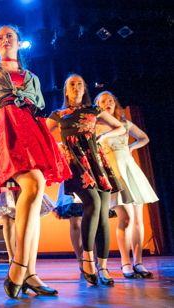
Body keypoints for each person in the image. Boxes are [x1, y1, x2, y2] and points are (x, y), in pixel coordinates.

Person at [0, 25, 71, 298]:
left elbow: (39, 110)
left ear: (20, 43)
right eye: (0, 38)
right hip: (6, 128)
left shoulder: (33, 78)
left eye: (10, 36)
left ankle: (29, 272)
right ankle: (19, 265)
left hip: (33, 129)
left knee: (36, 191)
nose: (5, 40)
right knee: (34, 185)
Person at [46, 74, 125, 286]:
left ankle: (103, 266)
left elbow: (121, 127)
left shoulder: (95, 110)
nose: (76, 86)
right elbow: (43, 135)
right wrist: (59, 147)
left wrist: (103, 136)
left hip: (97, 162)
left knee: (102, 214)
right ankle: (87, 258)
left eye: (80, 83)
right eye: (72, 84)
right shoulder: (59, 114)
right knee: (94, 203)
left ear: (85, 88)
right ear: (65, 90)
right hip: (75, 163)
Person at [95, 91, 158, 279]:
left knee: (138, 219)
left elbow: (144, 138)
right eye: (103, 101)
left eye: (110, 101)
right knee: (126, 219)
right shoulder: (97, 127)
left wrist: (131, 147)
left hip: (130, 170)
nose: (107, 103)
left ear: (115, 104)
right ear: (98, 106)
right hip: (114, 172)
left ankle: (138, 262)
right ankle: (125, 263)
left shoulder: (124, 124)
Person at [0, 145, 56, 261]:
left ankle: (26, 259)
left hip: (24, 179)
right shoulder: (2, 138)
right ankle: (12, 259)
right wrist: (3, 165)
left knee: (28, 218)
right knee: (9, 221)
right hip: (8, 181)